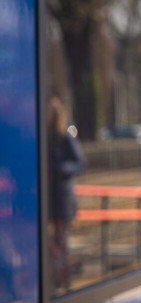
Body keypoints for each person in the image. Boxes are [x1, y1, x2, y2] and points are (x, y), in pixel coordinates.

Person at [46, 96, 86, 291]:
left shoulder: (65, 137)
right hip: (48, 201)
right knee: (52, 243)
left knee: (60, 242)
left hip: (61, 200)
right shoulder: (45, 138)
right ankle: (59, 276)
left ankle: (63, 278)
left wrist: (62, 169)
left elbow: (81, 162)